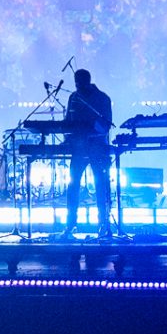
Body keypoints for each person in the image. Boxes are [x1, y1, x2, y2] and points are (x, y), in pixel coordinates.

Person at [60, 68, 115, 237]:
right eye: (76, 84)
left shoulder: (102, 98)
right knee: (73, 185)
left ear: (87, 81)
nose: (77, 87)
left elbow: (105, 125)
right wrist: (67, 135)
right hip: (78, 148)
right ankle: (71, 225)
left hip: (97, 148)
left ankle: (103, 224)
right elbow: (68, 121)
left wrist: (88, 128)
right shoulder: (74, 97)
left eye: (80, 84)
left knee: (101, 185)